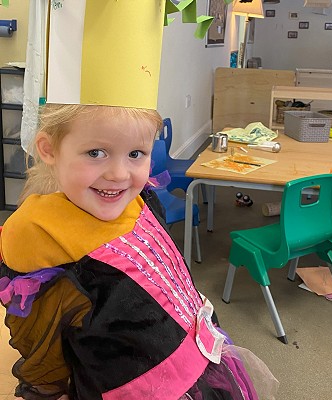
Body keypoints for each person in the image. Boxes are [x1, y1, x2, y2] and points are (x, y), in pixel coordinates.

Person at [0, 103, 279, 400]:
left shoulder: (140, 200)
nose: (119, 174)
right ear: (49, 148)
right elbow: (43, 341)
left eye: (136, 154)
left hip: (198, 358)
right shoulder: (40, 236)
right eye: (96, 153)